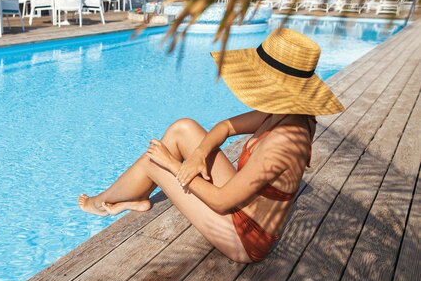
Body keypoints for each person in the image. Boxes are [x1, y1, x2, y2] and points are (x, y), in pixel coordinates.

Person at [78, 28, 345, 263]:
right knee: (183, 127)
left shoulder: (283, 143)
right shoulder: (286, 111)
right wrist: (198, 156)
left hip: (245, 237)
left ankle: (103, 202)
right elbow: (225, 127)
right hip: (241, 204)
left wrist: (173, 165)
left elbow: (220, 201)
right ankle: (135, 198)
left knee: (154, 162)